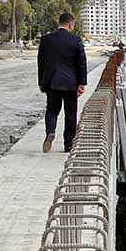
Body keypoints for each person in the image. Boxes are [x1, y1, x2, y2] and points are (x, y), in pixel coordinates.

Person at [37, 13, 87, 153]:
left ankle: (50, 132)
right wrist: (82, 83)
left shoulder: (46, 39)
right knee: (70, 113)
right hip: (70, 83)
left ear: (59, 23)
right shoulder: (75, 40)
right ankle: (68, 144)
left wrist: (41, 81)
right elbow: (81, 63)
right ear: (71, 24)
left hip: (52, 82)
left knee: (52, 110)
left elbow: (41, 62)